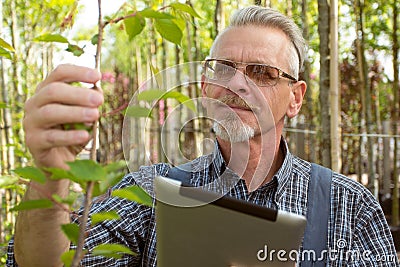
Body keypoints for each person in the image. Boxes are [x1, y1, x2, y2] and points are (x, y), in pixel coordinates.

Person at [7, 5, 399, 267]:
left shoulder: (348, 208)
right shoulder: (149, 192)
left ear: (295, 98)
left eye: (262, 73)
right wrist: (51, 176)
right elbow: (51, 262)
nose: (238, 85)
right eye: (223, 68)